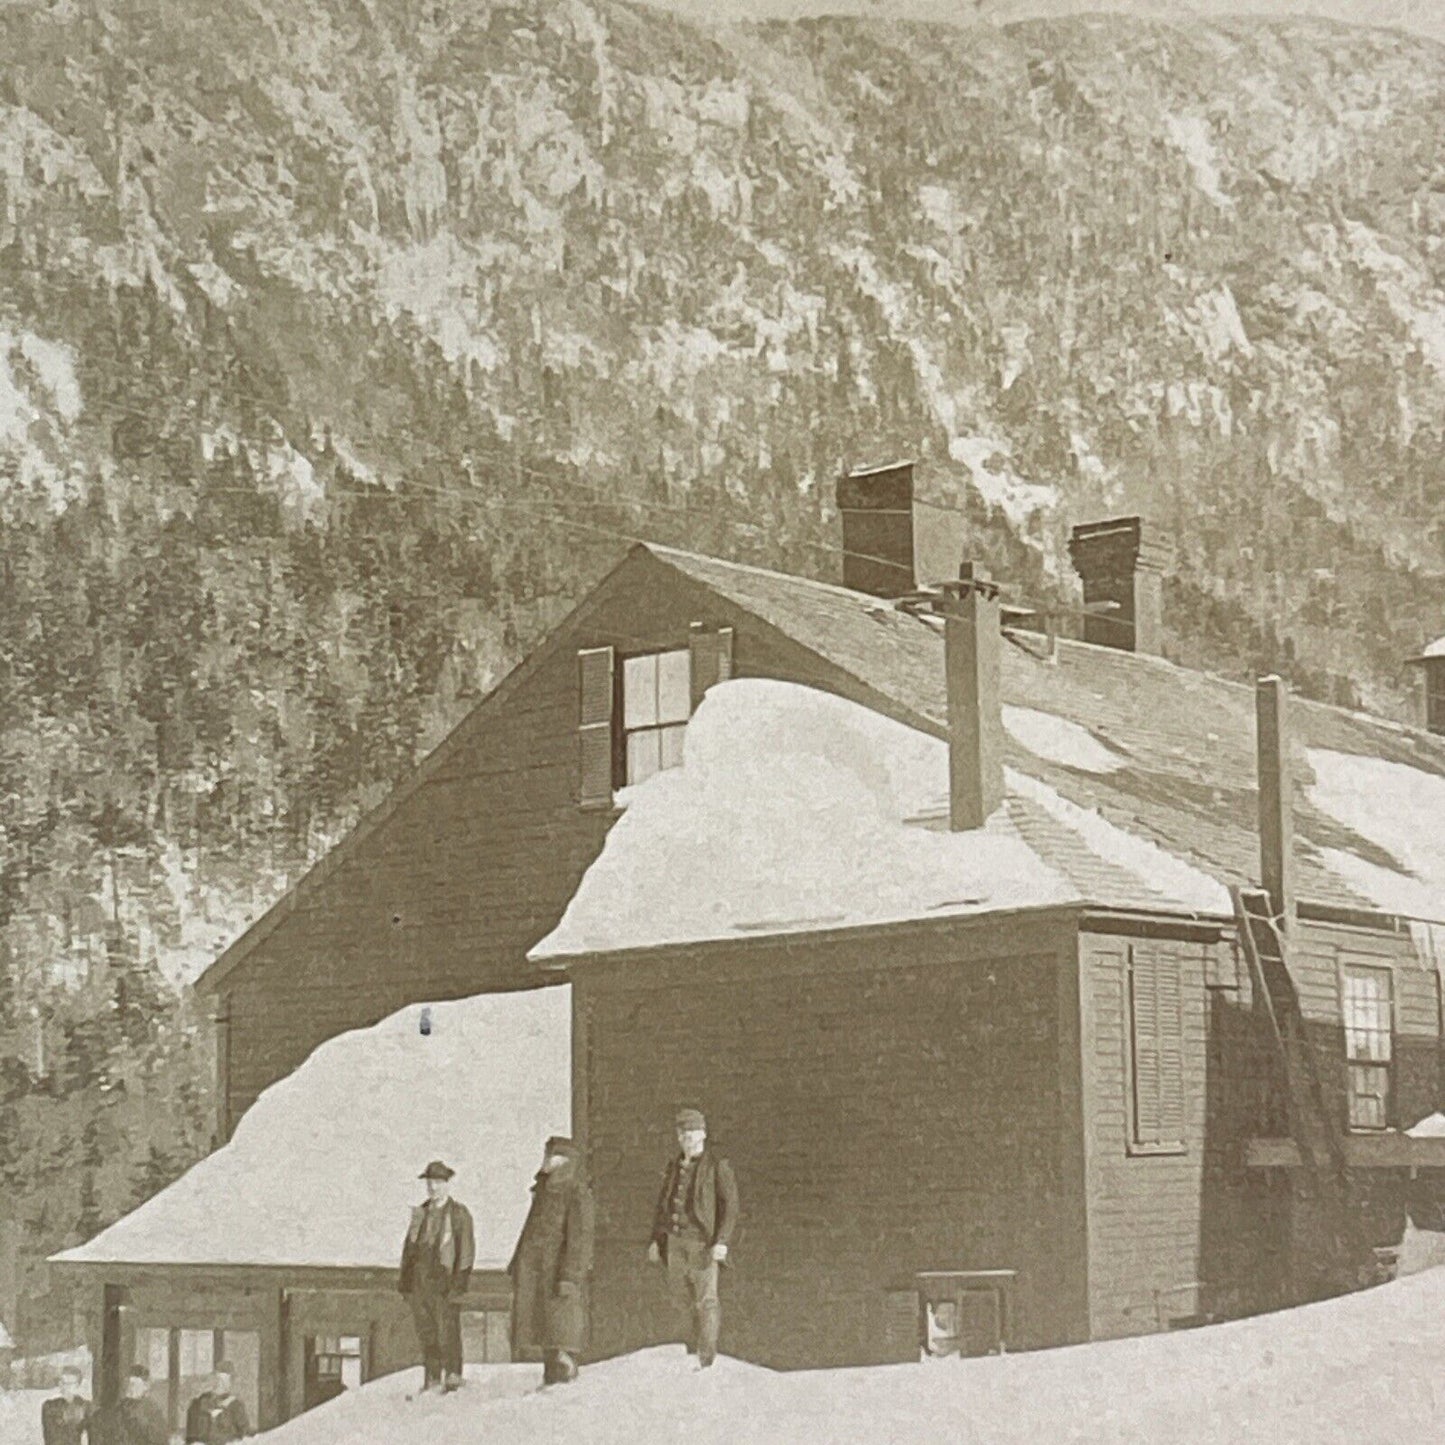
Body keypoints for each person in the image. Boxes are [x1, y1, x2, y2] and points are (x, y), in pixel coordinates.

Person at [646, 1107, 740, 1368]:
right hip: (675, 1242)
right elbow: (662, 1206)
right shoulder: (673, 1166)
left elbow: (730, 1207)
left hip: (703, 1244)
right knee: (680, 1298)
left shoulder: (716, 1166)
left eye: (692, 1133)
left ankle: (706, 1357)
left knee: (706, 1300)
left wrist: (722, 1241)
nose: (687, 1138)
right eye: (683, 1133)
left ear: (704, 1135)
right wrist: (656, 1240)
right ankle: (689, 1352)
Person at [507, 1136, 595, 1387]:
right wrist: (518, 1262)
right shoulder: (544, 1191)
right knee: (546, 1330)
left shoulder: (576, 1192)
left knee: (561, 1332)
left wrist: (570, 1276)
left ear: (565, 1161)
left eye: (553, 1156)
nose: (547, 1160)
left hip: (558, 1274)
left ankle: (563, 1378)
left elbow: (580, 1241)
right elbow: (530, 1231)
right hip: (538, 1272)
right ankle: (550, 1381)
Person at [399, 1159, 476, 1394]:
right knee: (427, 1330)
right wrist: (405, 1280)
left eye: (438, 1183)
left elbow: (467, 1250)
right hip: (421, 1280)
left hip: (445, 1280)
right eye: (430, 1183)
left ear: (447, 1184)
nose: (433, 1188)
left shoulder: (459, 1214)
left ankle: (453, 1373)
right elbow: (409, 1248)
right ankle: (432, 1375)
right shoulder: (421, 1213)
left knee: (448, 1328)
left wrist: (460, 1281)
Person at [183, 1362, 248, 1443]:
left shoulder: (236, 1406)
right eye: (219, 1379)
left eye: (225, 1380)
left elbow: (244, 1436)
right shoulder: (198, 1404)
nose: (221, 1384)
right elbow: (191, 1437)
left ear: (231, 1382)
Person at [109, 1366, 169, 1445]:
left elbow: (160, 1439)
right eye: (128, 1384)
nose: (129, 1388)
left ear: (145, 1386)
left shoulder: (153, 1410)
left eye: (133, 1384)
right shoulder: (120, 1408)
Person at [40, 1363, 91, 1444]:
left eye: (69, 1384)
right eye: (62, 1383)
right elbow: (50, 1437)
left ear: (77, 1385)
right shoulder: (49, 1406)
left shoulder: (85, 1406)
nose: (64, 1387)